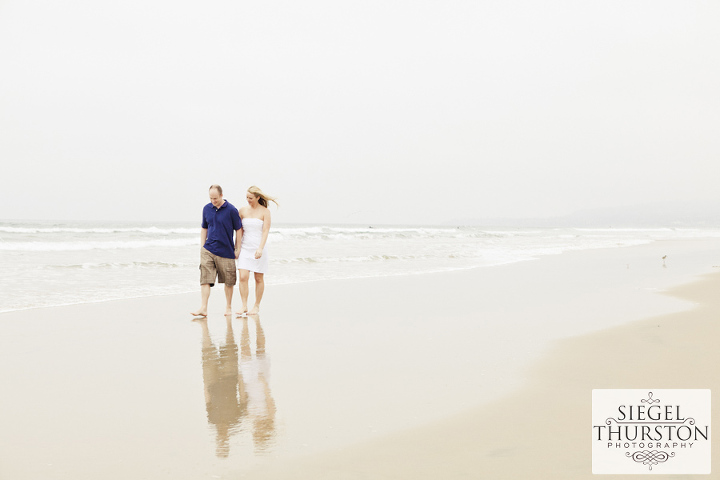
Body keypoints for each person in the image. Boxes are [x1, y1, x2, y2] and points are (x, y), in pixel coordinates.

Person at [191, 185, 243, 317]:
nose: (213, 201)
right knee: (205, 280)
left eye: (215, 198)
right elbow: (204, 227)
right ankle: (203, 308)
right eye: (210, 198)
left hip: (226, 251)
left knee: (229, 281)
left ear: (221, 195)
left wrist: (237, 248)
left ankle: (228, 307)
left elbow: (238, 229)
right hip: (208, 249)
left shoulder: (231, 210)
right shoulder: (206, 209)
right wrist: (202, 246)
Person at [237, 186, 277, 316]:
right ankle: (244, 305)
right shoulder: (242, 211)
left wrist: (260, 248)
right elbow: (239, 231)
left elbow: (265, 231)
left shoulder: (265, 212)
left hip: (259, 248)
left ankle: (256, 306)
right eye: (247, 197)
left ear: (258, 197)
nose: (248, 200)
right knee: (243, 277)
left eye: (251, 198)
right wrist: (236, 247)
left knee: (258, 278)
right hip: (245, 248)